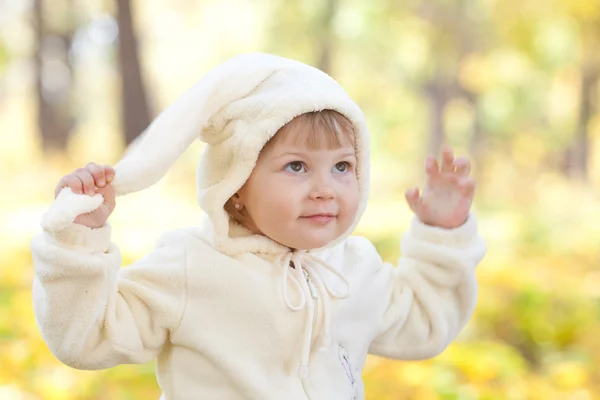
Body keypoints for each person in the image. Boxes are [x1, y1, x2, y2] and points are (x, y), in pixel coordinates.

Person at [30, 53, 487, 400]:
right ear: (236, 185)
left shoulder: (355, 267)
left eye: (343, 167)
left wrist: (442, 235)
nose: (325, 188)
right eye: (296, 167)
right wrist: (78, 244)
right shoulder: (191, 265)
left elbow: (425, 323)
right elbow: (86, 338)